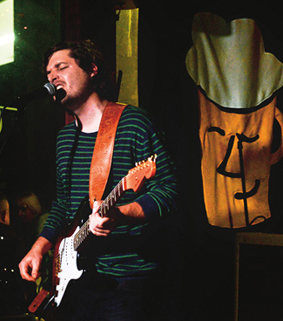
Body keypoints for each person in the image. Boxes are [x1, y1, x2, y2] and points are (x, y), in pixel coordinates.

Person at [18, 40, 179, 320]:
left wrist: (121, 213)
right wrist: (40, 246)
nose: (52, 76)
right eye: (48, 73)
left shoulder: (133, 123)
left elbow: (169, 190)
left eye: (61, 67)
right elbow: (63, 204)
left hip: (127, 280)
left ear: (92, 69)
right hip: (78, 279)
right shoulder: (65, 138)